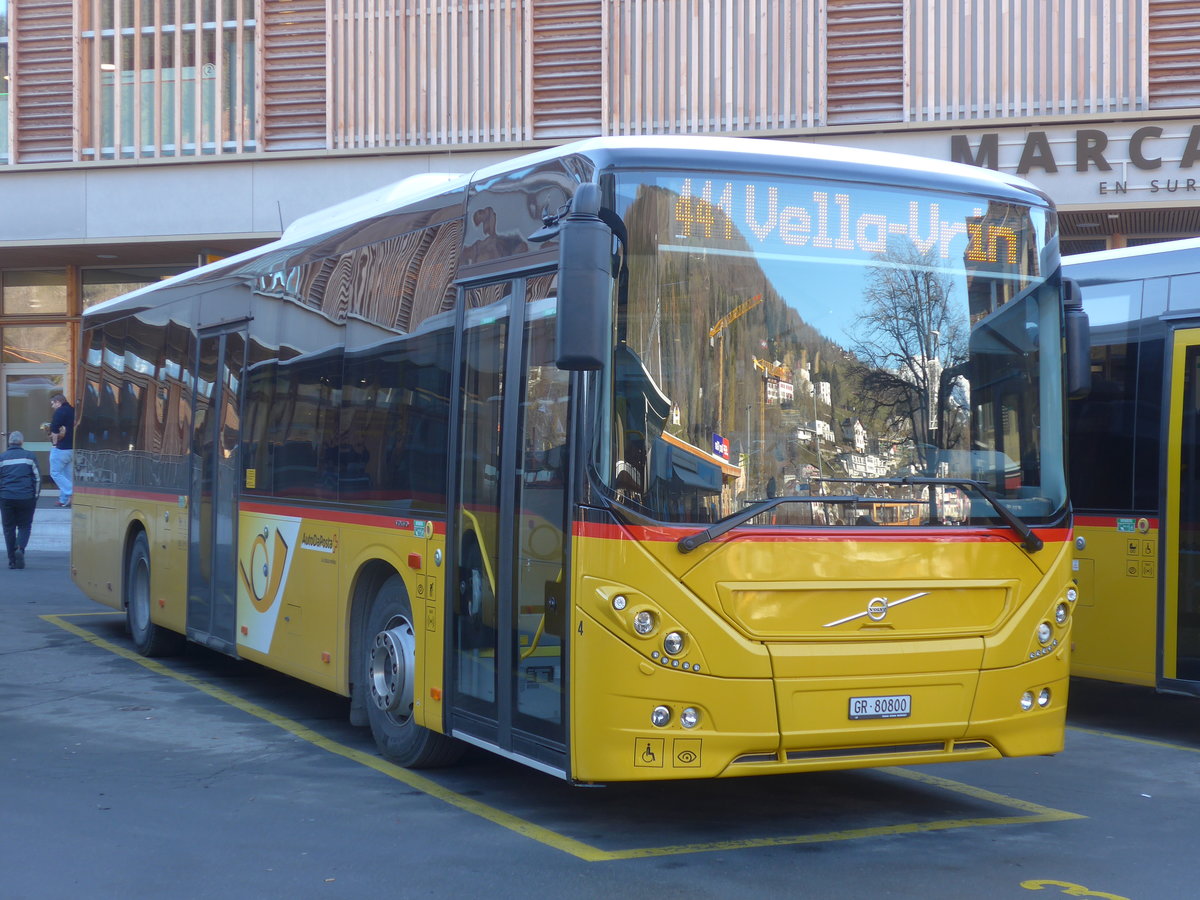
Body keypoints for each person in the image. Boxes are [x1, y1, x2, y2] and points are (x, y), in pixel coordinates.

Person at [1, 431, 40, 569]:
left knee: (8, 528)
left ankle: (12, 560)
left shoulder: (2, 458)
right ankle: (20, 548)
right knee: (25, 526)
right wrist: (35, 496)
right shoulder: (30, 457)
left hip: (6, 497)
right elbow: (37, 479)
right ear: (22, 442)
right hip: (26, 497)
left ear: (9, 442)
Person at [48, 392, 74, 508]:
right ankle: (63, 499)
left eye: (53, 403)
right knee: (67, 475)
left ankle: (72, 492)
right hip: (73, 448)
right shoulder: (73, 410)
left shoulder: (59, 412)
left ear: (58, 402)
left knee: (55, 473)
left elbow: (54, 430)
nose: (52, 406)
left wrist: (54, 445)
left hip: (62, 448)